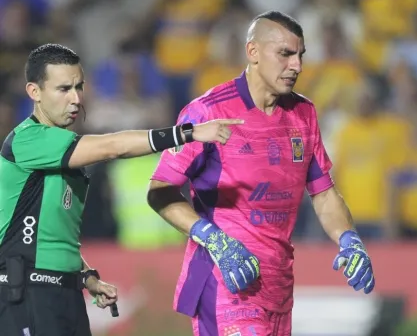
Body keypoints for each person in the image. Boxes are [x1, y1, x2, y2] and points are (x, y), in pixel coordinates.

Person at [147, 11, 376, 336]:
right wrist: (215, 240)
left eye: (300, 55)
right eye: (285, 53)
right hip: (224, 281)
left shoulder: (303, 113)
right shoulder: (208, 112)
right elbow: (160, 190)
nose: (296, 65)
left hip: (278, 287)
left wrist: (349, 239)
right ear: (252, 52)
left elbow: (323, 193)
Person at [0, 43, 242, 336]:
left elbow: (52, 233)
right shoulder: (28, 141)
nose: (76, 98)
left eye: (79, 87)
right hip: (26, 293)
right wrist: (187, 132)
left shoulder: (66, 157)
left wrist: (87, 277)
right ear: (34, 92)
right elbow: (112, 146)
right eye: (63, 89)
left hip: (64, 293)